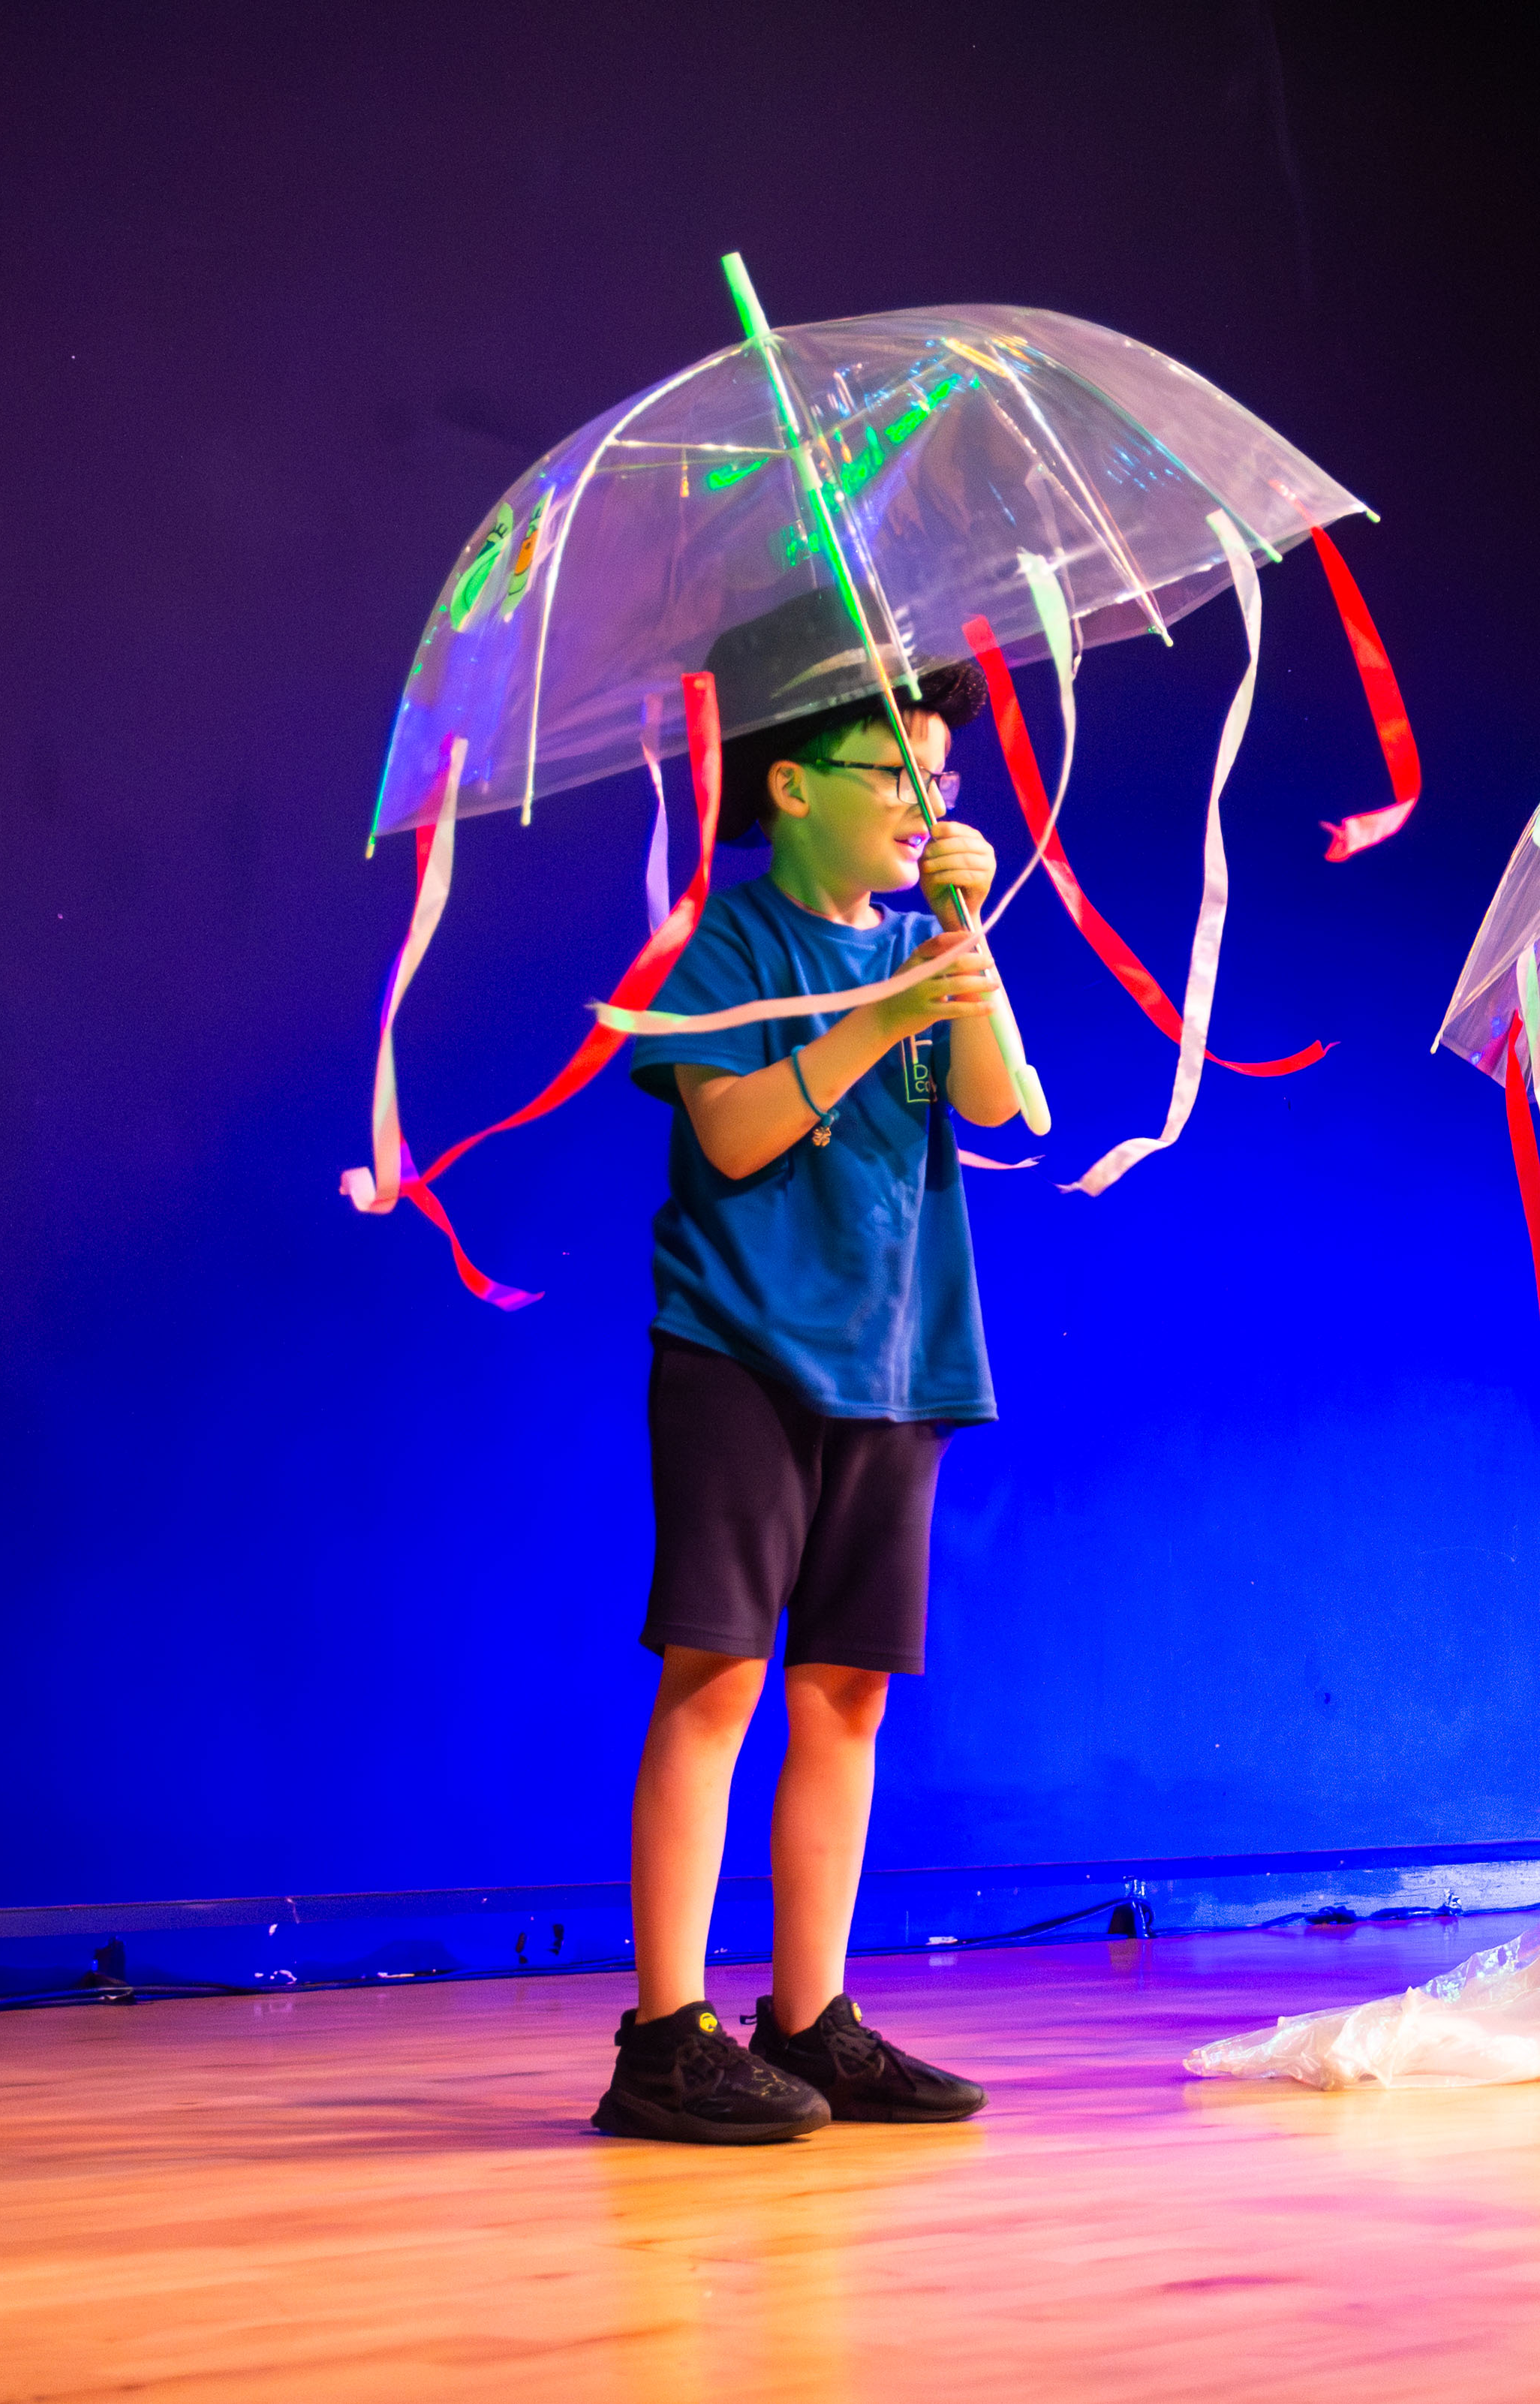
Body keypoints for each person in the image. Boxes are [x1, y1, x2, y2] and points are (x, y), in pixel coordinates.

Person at [591, 591, 1017, 2144]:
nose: (924, 800)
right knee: (716, 1673)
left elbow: (1004, 1100)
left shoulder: (926, 942)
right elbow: (733, 1132)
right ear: (790, 781)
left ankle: (810, 2011)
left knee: (847, 1690)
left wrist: (962, 948)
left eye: (939, 776)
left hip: (899, 1363)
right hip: (743, 1350)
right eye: (894, 770)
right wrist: (872, 1018)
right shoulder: (723, 940)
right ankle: (662, 2031)